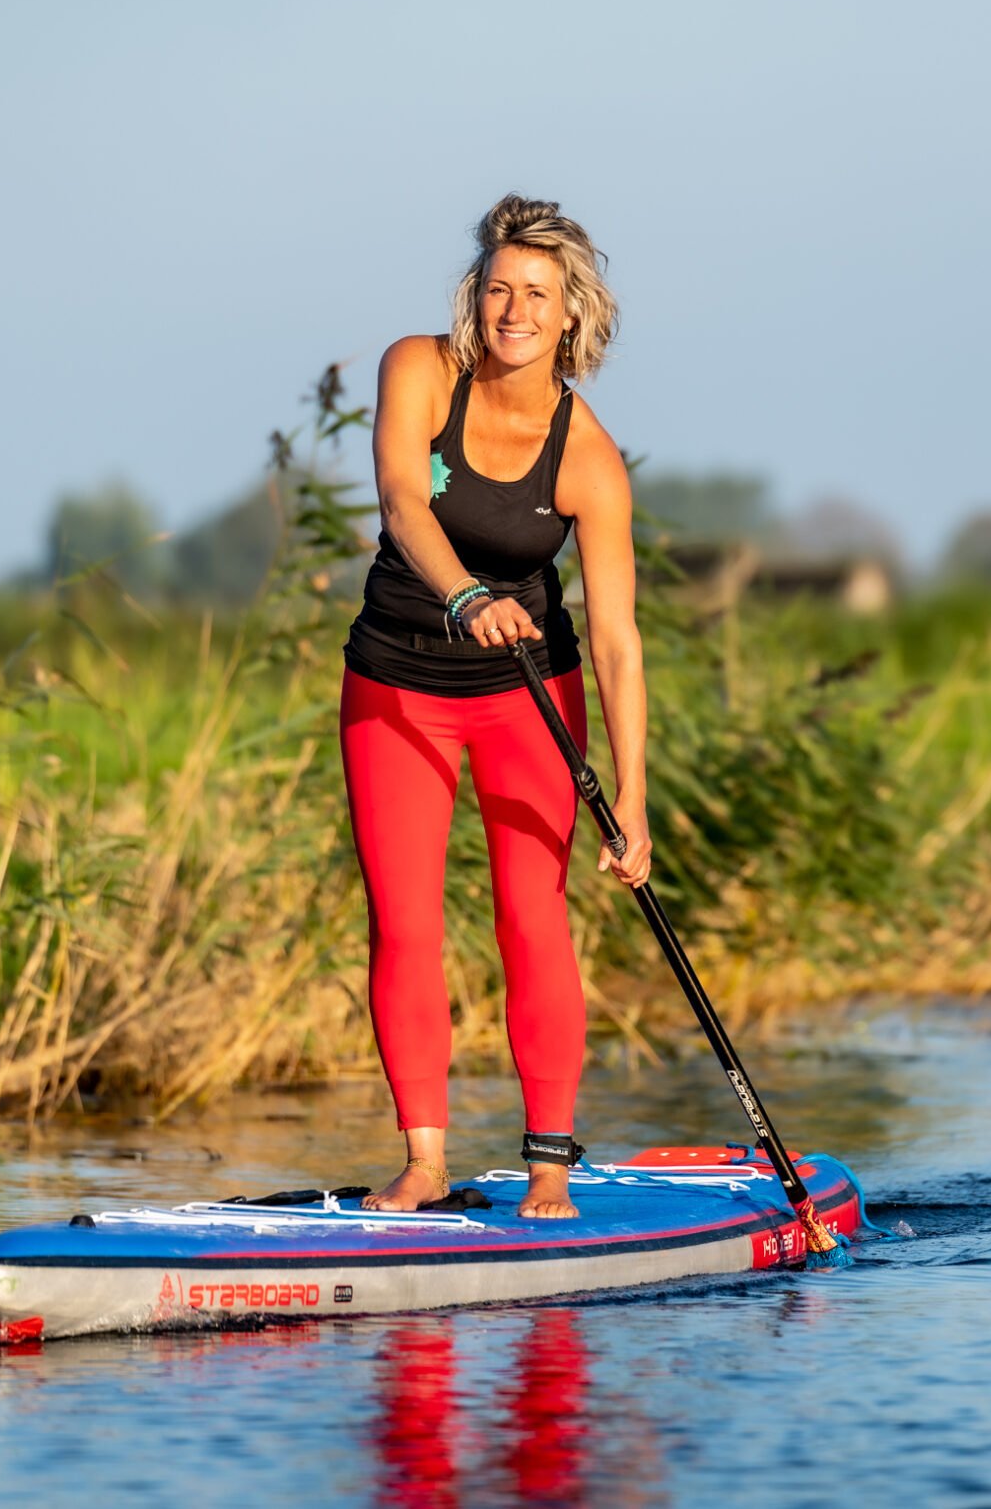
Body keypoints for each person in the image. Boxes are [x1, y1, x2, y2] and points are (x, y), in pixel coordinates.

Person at [340, 195, 652, 1218]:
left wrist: (634, 803)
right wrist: (463, 593)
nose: (512, 308)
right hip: (394, 685)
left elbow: (614, 639)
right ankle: (424, 1163)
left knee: (532, 918)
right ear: (475, 294)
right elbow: (398, 498)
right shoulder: (418, 367)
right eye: (497, 287)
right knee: (406, 925)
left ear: (572, 317)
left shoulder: (587, 458)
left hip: (525, 697)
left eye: (537, 295)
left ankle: (549, 1171)